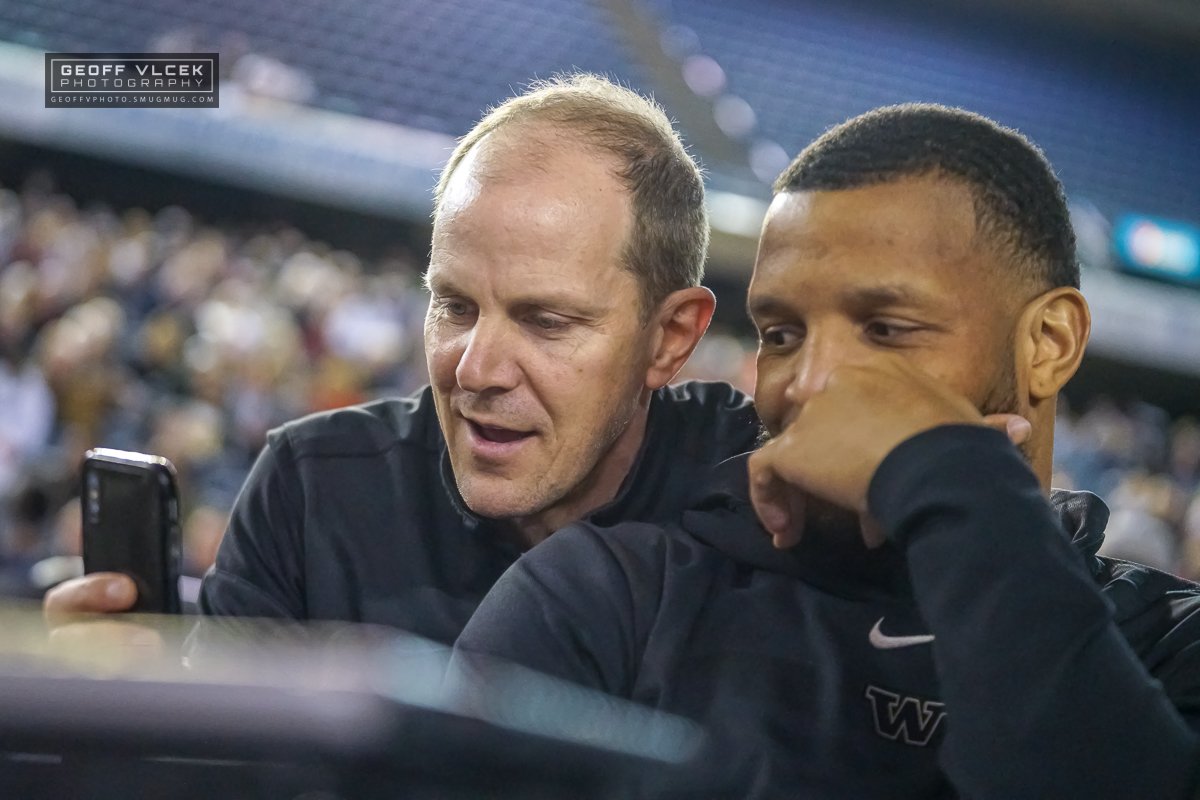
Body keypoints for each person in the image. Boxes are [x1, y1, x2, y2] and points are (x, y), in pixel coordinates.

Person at [454, 104, 1200, 798]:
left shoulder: (1169, 644)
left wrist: (957, 488)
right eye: (781, 334)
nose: (808, 383)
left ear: (1049, 344)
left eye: (885, 330)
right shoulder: (608, 597)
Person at [43, 74, 761, 644]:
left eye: (545, 322)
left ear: (670, 338)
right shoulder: (312, 490)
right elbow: (222, 761)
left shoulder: (764, 499)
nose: (475, 370)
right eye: (455, 306)